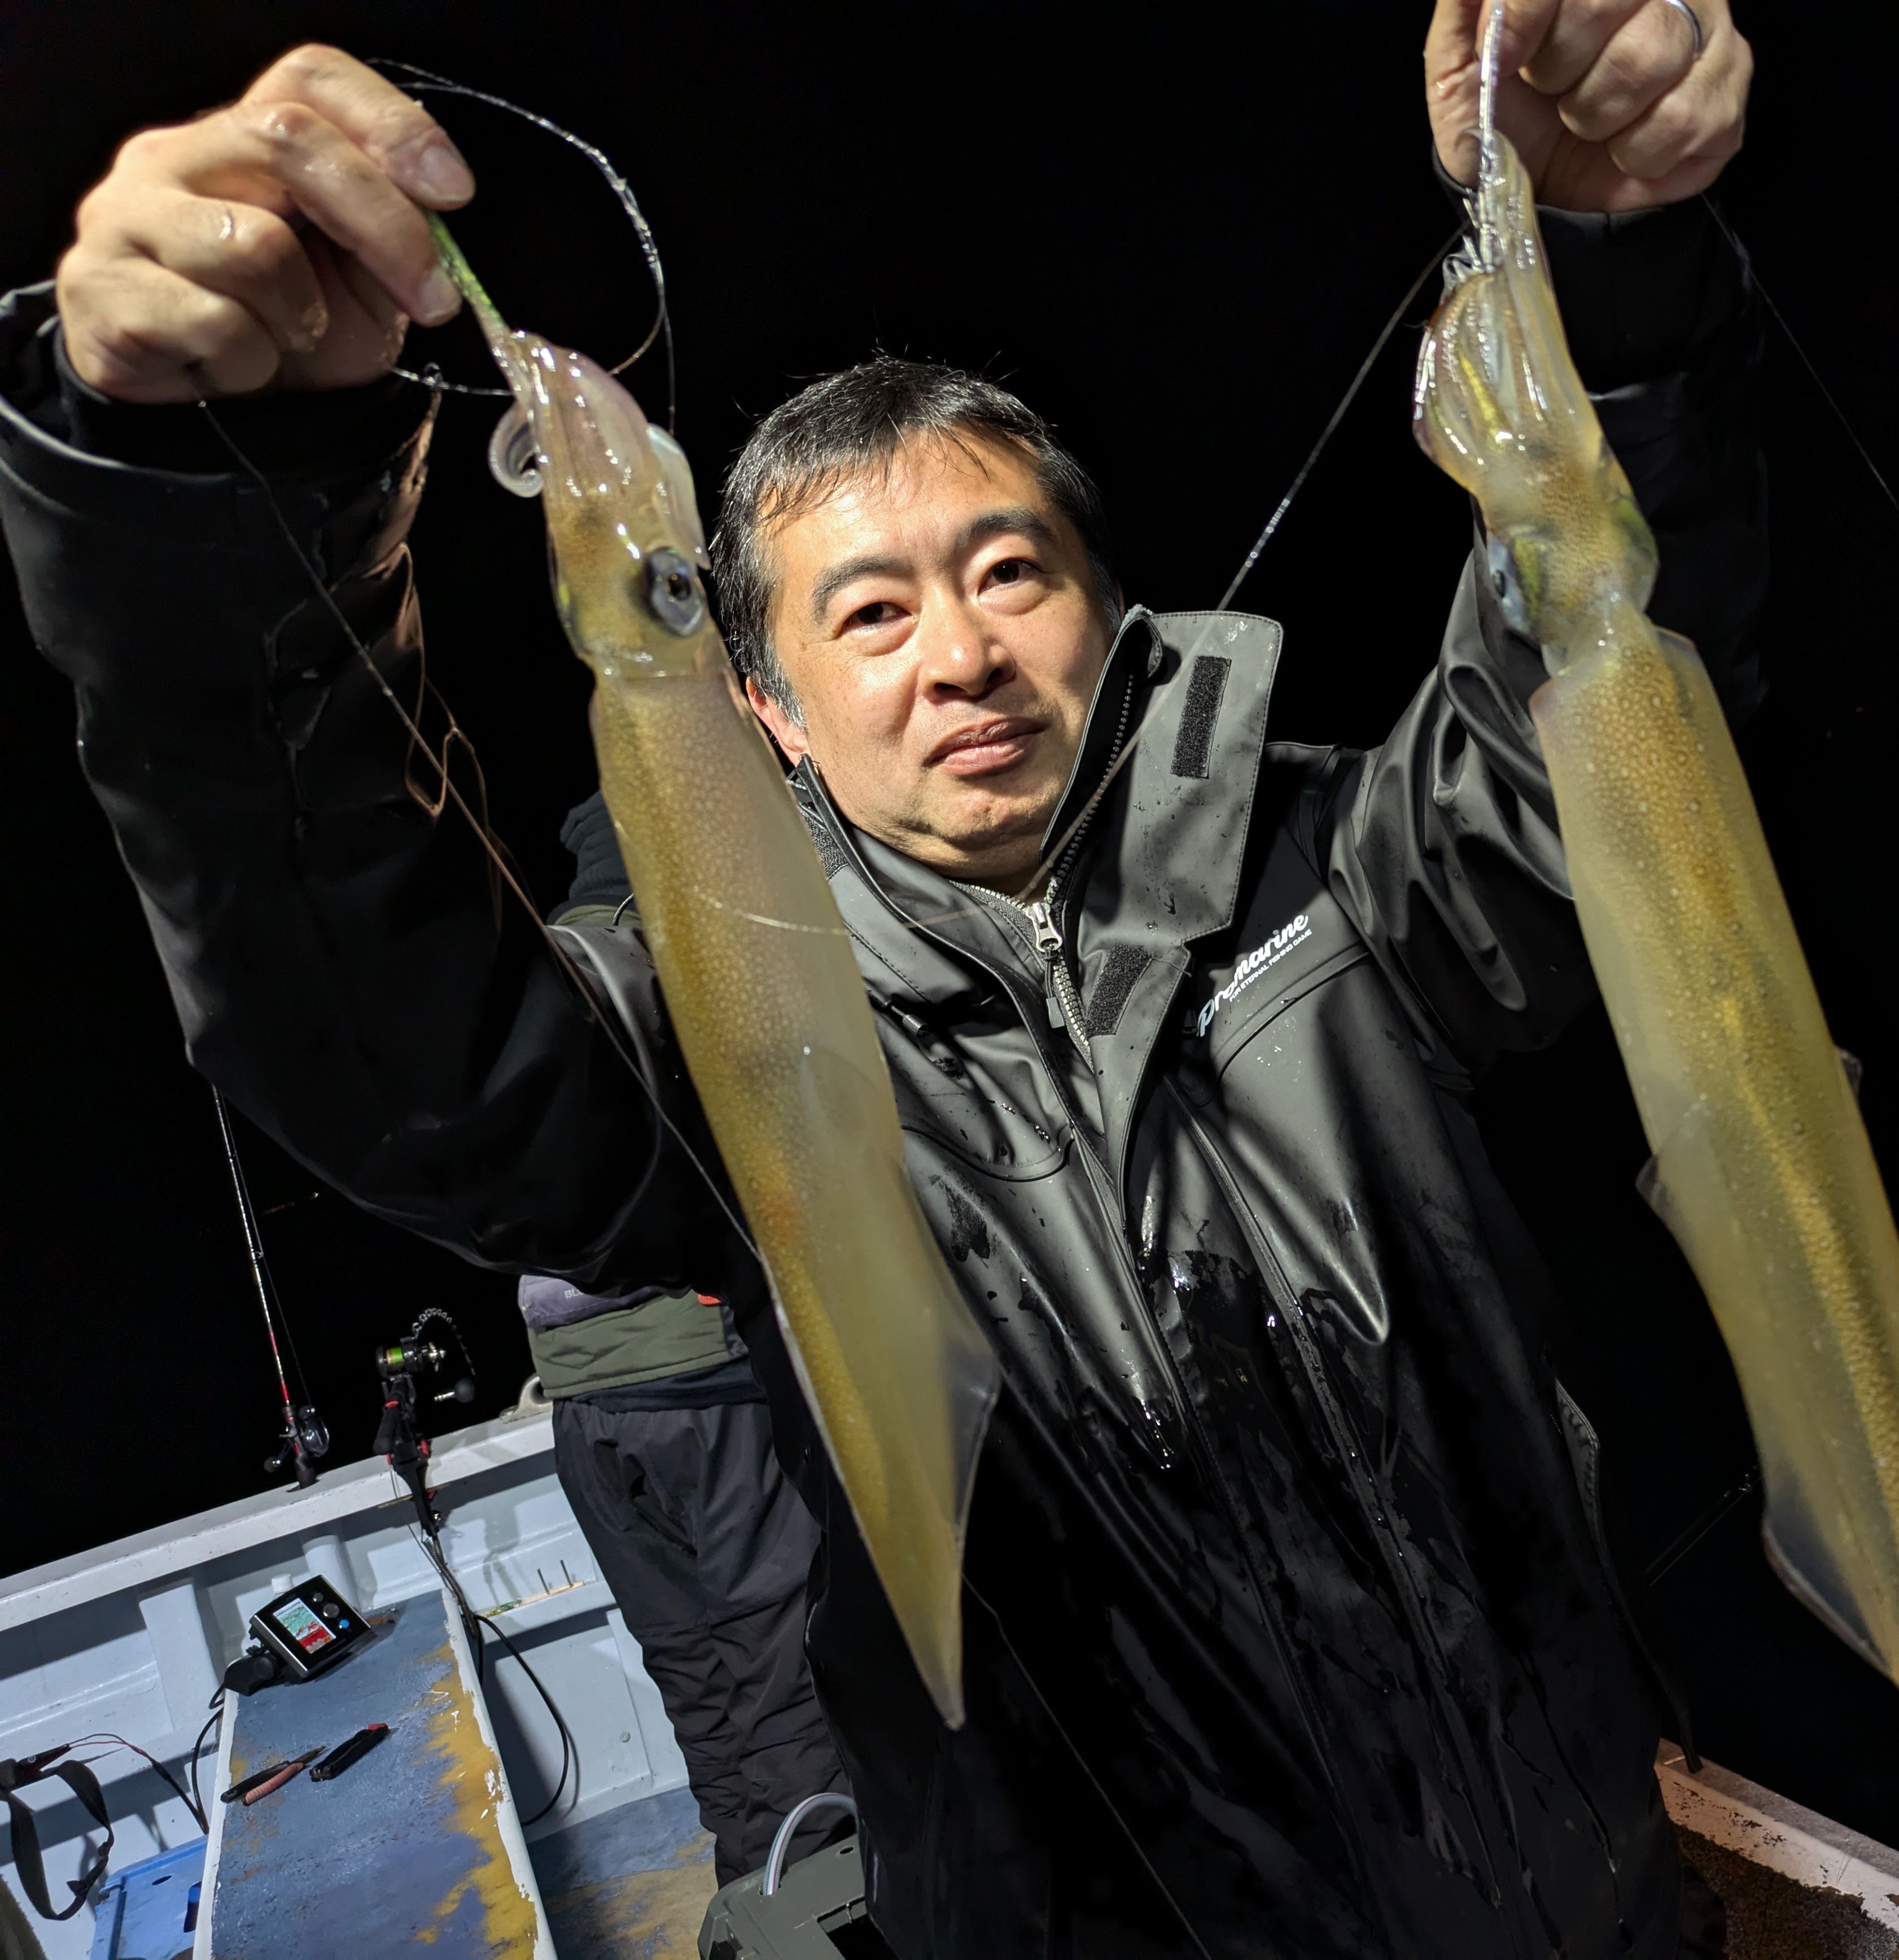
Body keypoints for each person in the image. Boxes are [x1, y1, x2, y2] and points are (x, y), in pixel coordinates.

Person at [2, 2, 1766, 1952]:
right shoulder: (714, 1026)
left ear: (1112, 613)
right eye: (868, 612)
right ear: (765, 704)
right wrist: (205, 501)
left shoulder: (1356, 878)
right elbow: (387, 1038)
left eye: (1010, 572)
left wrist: (1608, 270)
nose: (961, 654)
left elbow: (1607, 694)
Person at [514, 797, 851, 1889]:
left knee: (696, 1676)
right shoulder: (682, 966)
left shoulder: (536, 975)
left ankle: (747, 1893)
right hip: (706, 1391)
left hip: (589, 1413)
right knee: (781, 1671)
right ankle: (813, 1912)